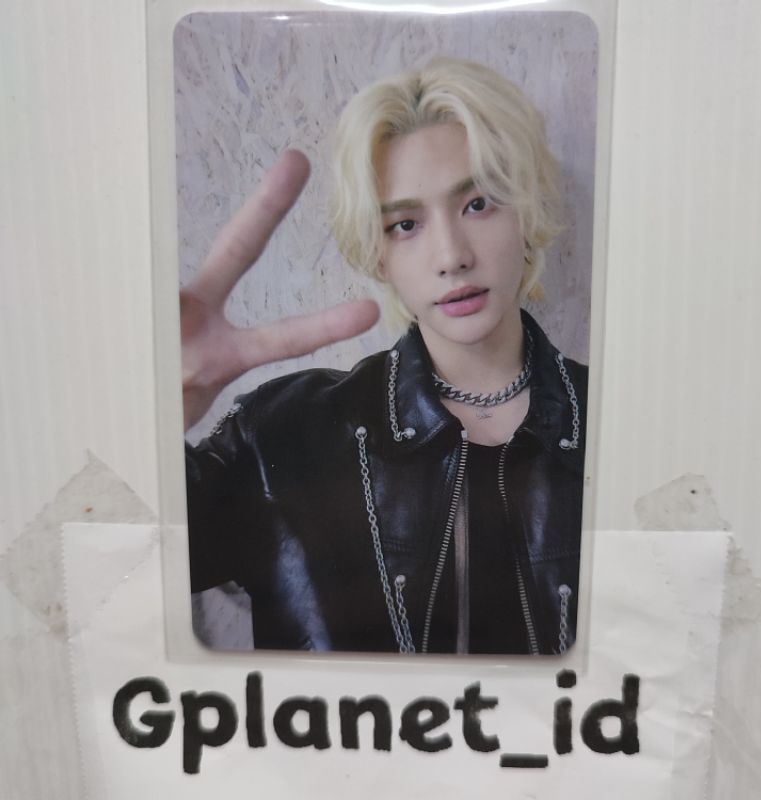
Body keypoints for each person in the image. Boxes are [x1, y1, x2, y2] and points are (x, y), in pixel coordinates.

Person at [184, 58, 587, 655]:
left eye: (478, 203)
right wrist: (152, 404)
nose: (451, 256)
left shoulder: (620, 426)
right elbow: (100, 563)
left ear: (526, 211)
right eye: (405, 224)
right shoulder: (284, 438)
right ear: (377, 252)